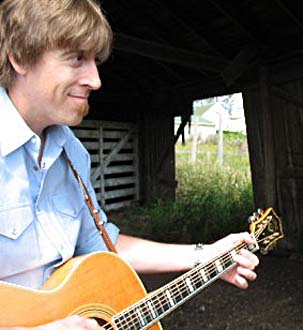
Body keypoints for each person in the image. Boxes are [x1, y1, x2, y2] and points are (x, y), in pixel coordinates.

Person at [0, 0, 259, 329]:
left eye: (95, 61)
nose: (95, 80)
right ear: (20, 57)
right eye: (77, 58)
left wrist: (204, 255)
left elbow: (105, 248)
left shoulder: (72, 155)